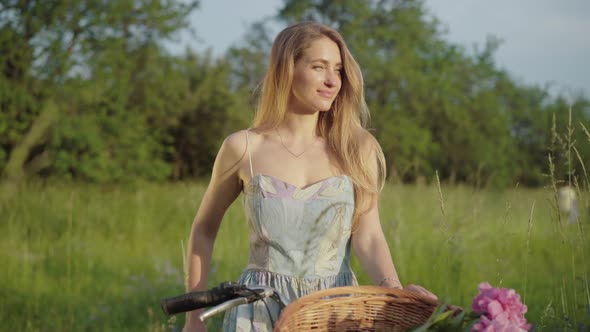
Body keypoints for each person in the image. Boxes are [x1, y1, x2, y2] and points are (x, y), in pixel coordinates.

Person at [183, 21, 437, 332]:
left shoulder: (357, 148)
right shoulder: (242, 147)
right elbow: (204, 230)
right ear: (286, 70)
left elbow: (368, 236)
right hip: (259, 313)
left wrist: (396, 293)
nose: (332, 80)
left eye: (339, 70)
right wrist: (194, 316)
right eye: (319, 67)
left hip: (335, 313)